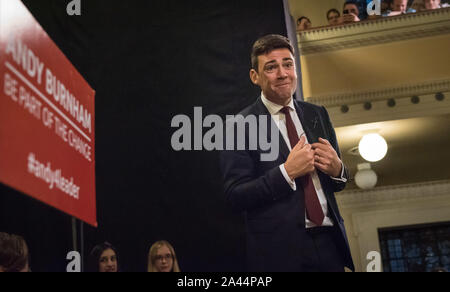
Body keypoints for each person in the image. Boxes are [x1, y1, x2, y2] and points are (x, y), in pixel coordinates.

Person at [220, 34, 354, 272]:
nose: (282, 73)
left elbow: (338, 182)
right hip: (278, 252)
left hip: (330, 243)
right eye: (271, 67)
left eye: (288, 64)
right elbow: (235, 195)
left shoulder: (317, 114)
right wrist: (286, 173)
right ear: (255, 77)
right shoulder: (237, 126)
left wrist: (338, 170)